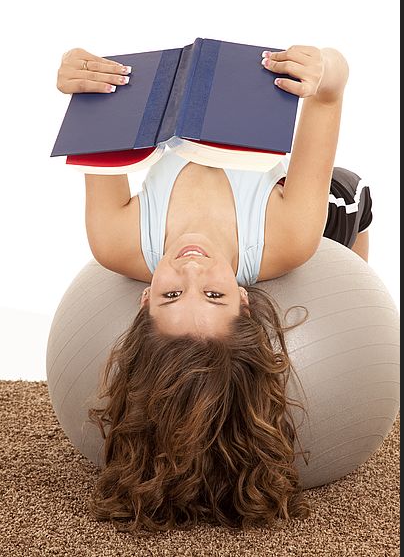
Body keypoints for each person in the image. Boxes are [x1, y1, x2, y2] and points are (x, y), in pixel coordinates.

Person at [56, 44, 373, 534]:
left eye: (170, 295)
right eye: (214, 295)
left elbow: (106, 128)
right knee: (349, 193)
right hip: (287, 206)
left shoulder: (116, 243)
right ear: (245, 299)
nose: (192, 272)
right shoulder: (289, 236)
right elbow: (329, 98)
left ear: (142, 299)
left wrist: (82, 80)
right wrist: (325, 71)